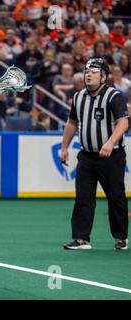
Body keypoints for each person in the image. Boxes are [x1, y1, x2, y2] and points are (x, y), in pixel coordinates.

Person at [61, 58, 129, 250]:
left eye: (94, 71)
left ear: (104, 77)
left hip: (111, 156)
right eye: (86, 71)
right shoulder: (78, 97)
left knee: (116, 197)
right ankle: (81, 238)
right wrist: (64, 147)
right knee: (83, 196)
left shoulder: (114, 96)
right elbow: (72, 122)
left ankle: (121, 237)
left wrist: (110, 142)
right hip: (87, 155)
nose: (88, 74)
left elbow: (123, 122)